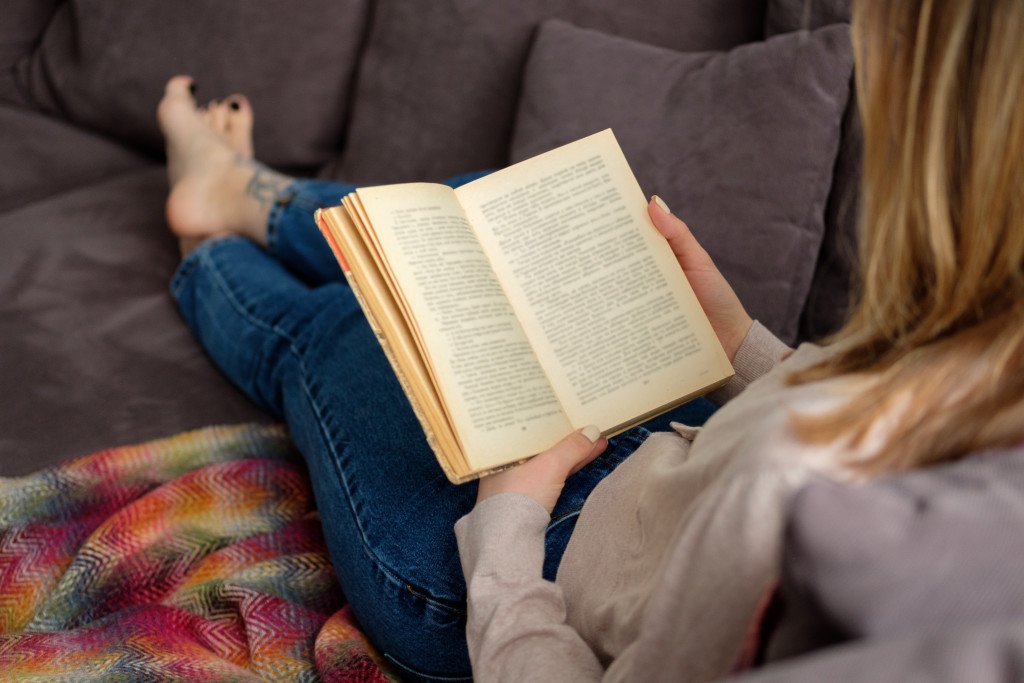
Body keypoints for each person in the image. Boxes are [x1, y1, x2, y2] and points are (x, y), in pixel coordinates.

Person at [159, 0, 1024, 679]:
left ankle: (211, 249)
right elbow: (878, 432)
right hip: (667, 454)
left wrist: (508, 519)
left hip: (514, 564)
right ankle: (257, 194)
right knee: (486, 217)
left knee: (348, 329)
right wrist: (737, 345)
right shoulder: (993, 351)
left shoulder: (822, 538)